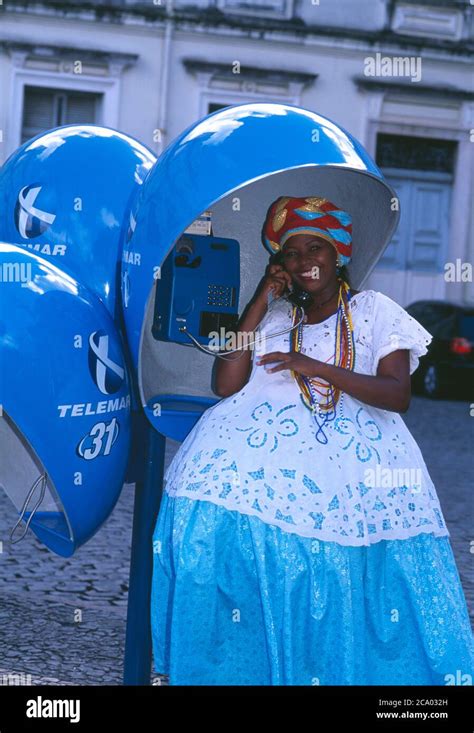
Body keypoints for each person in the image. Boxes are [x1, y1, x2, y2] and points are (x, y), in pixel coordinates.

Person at [150, 195, 474, 685]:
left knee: (348, 585)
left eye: (314, 248)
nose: (304, 263)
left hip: (357, 477)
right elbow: (224, 384)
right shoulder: (278, 320)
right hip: (263, 482)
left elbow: (397, 393)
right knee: (234, 564)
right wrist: (262, 296)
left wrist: (314, 366)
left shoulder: (374, 310)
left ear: (337, 253)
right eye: (291, 253)